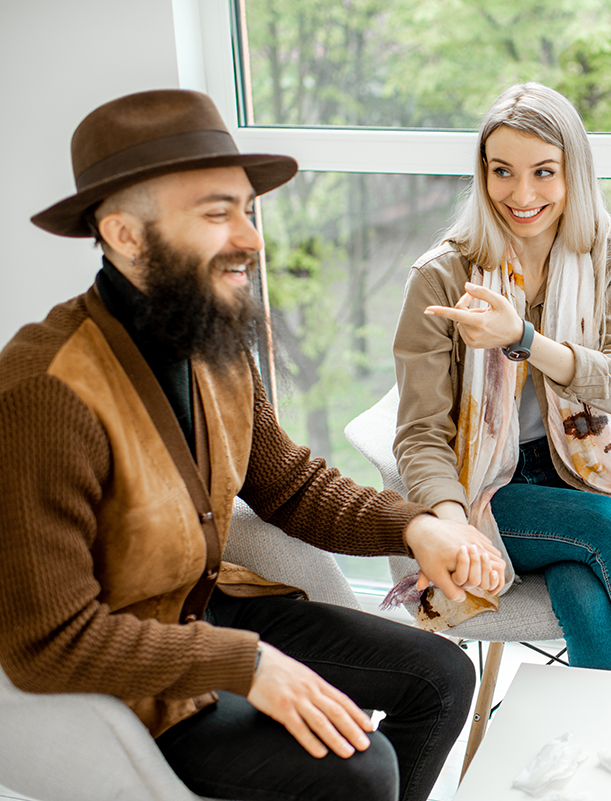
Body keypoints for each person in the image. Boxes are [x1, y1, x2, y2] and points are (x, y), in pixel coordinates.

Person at [0, 89, 506, 801]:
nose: (251, 237)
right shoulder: (43, 390)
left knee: (441, 676)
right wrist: (247, 665)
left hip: (207, 607)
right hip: (129, 675)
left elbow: (290, 485)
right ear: (124, 234)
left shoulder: (212, 336)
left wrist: (413, 524)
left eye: (246, 209)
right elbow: (47, 640)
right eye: (217, 213)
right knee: (365, 771)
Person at [390, 82, 611, 674]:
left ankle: (601, 746)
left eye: (544, 172)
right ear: (484, 174)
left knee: (580, 589)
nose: (521, 195)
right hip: (486, 487)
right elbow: (420, 434)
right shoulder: (441, 278)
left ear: (574, 171)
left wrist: (523, 340)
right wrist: (452, 526)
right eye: (502, 172)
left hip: (584, 471)